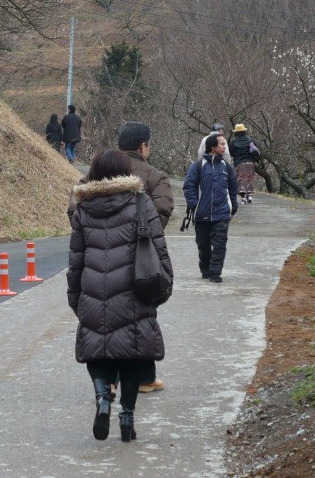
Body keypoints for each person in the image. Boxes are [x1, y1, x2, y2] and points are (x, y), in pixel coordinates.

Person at [68, 149, 173, 443]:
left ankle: (103, 396)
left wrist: (75, 296)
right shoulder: (141, 202)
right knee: (131, 354)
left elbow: (76, 258)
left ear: (96, 174)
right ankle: (127, 418)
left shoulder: (83, 208)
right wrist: (163, 287)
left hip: (93, 292)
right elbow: (159, 249)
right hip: (134, 292)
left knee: (96, 350)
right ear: (127, 171)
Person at [116, 121, 173, 394]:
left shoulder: (98, 172)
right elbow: (162, 209)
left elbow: (74, 208)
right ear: (143, 146)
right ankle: (144, 378)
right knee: (142, 313)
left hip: (101, 256)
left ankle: (109, 378)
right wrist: (144, 233)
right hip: (140, 257)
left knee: (107, 311)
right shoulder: (154, 176)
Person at [183, 133, 239, 283]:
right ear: (212, 146)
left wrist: (233, 206)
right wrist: (194, 204)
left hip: (222, 214)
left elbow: (233, 189)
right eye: (221, 144)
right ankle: (206, 270)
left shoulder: (227, 167)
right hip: (202, 214)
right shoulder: (197, 167)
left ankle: (215, 273)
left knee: (219, 244)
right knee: (203, 245)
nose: (224, 146)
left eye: (224, 144)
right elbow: (189, 187)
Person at [228, 123, 260, 204]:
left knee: (240, 179)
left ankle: (243, 198)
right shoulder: (249, 139)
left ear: (236, 132)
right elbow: (255, 150)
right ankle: (249, 195)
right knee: (249, 178)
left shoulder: (234, 142)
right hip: (250, 162)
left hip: (239, 163)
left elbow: (231, 153)